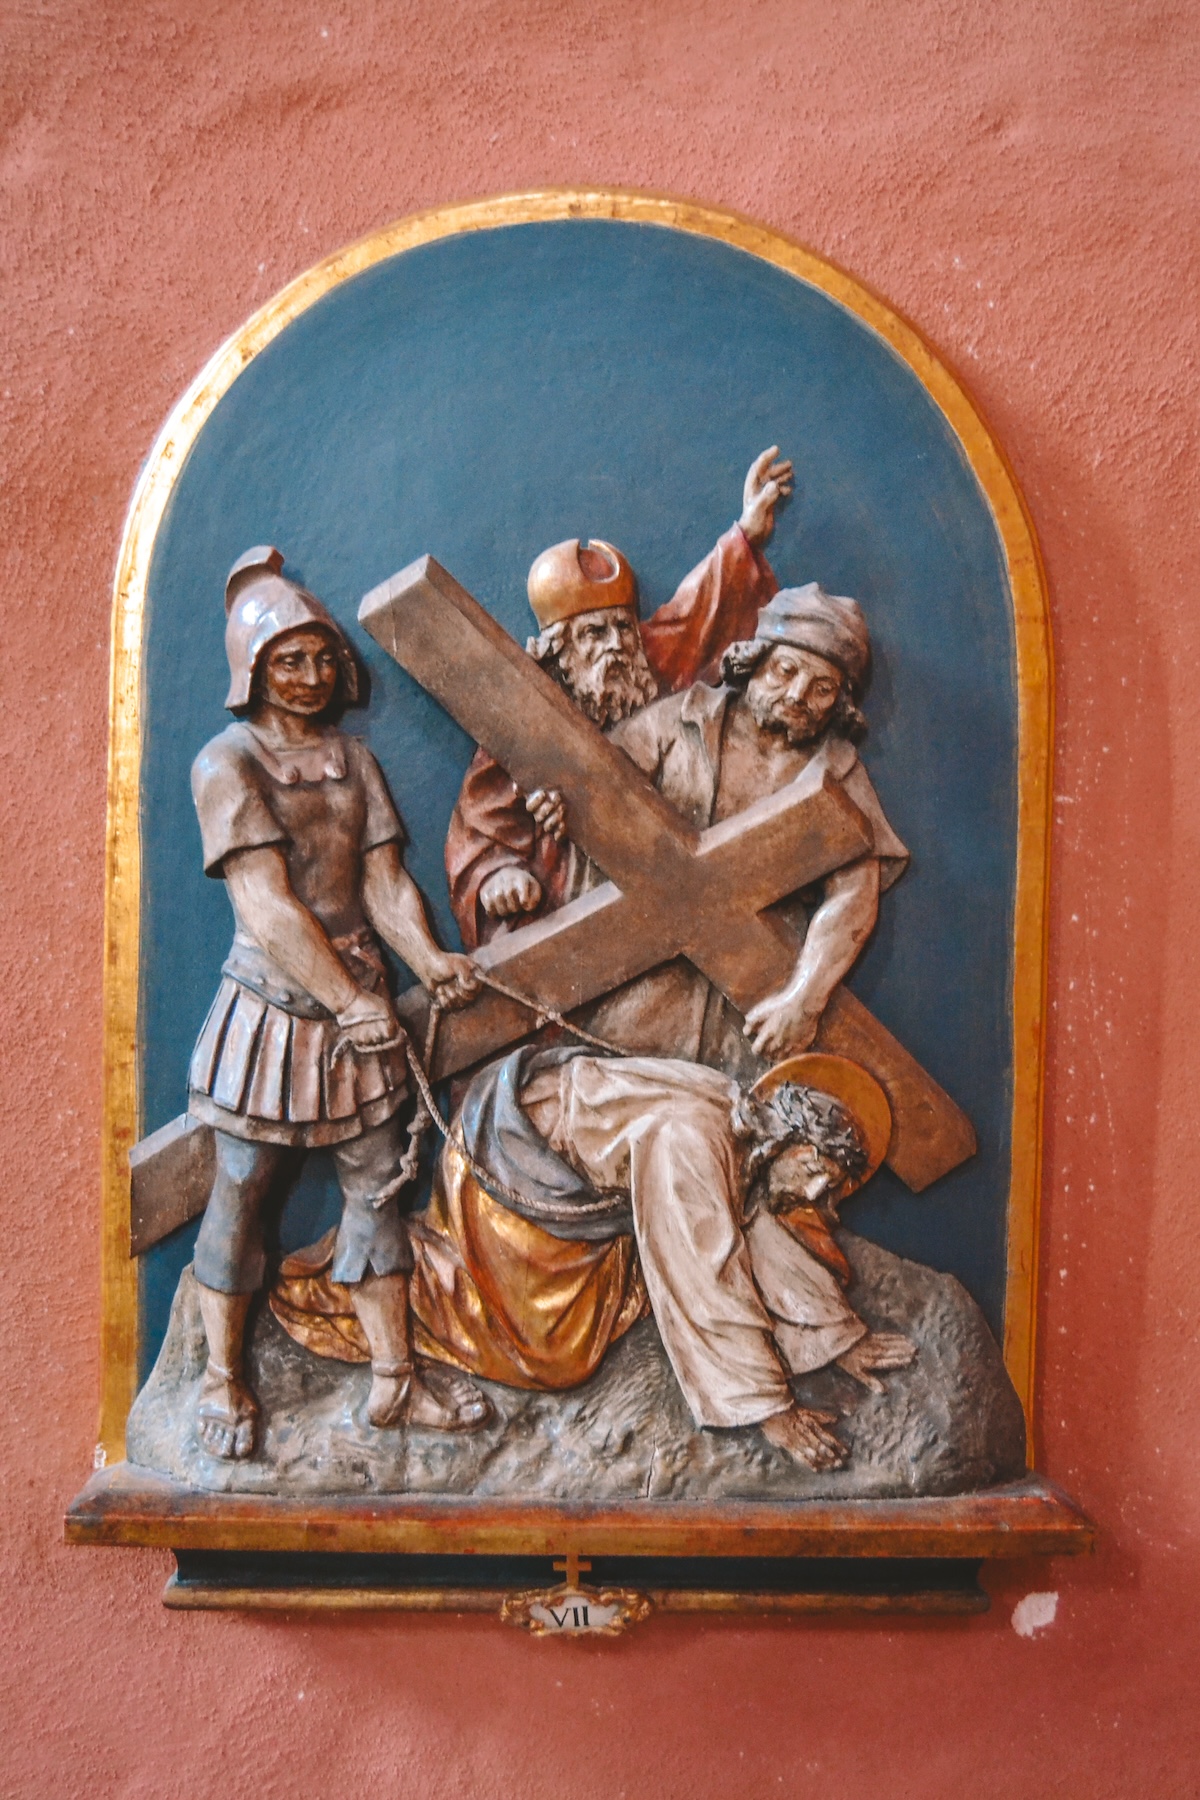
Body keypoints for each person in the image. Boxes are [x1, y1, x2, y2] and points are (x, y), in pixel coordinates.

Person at [185, 545, 488, 1460]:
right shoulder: (226, 762)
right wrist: (349, 999)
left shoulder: (353, 760)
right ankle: (222, 1377)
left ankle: (394, 1379)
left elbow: (384, 881)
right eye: (289, 661)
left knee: (377, 1190)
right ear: (253, 670)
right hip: (273, 1014)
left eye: (321, 658)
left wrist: (427, 958)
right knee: (241, 1190)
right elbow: (265, 904)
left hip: (360, 1011)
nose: (311, 676)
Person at [272, 1046, 916, 1471]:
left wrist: (835, 1340)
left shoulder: (741, 1126)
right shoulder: (694, 1140)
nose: (818, 1197)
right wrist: (769, 1411)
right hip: (509, 1175)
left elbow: (751, 1218)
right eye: (816, 1174)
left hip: (575, 1187)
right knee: (554, 1356)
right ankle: (383, 1272)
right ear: (789, 1141)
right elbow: (705, 1272)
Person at [445, 447, 794, 948]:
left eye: (619, 629)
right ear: (560, 649)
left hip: (676, 866)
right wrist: (498, 874)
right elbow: (480, 820)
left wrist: (745, 534)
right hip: (576, 895)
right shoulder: (525, 712)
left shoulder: (644, 665)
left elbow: (697, 613)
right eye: (592, 635)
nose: (613, 647)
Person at [577, 581, 910, 1082]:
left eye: (821, 688)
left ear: (839, 703)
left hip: (750, 1020)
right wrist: (560, 809)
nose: (798, 695)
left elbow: (853, 897)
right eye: (786, 670)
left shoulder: (836, 775)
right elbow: (593, 791)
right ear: (754, 661)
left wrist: (803, 1001)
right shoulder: (680, 723)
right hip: (638, 1003)